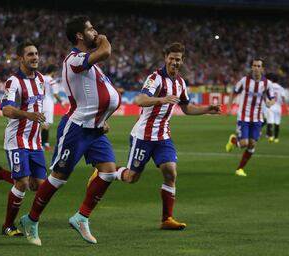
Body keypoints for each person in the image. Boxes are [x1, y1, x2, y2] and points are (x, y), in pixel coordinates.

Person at [92, 42, 220, 230]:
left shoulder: (181, 83)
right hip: (142, 136)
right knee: (131, 177)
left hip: (163, 137)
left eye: (178, 59)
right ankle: (106, 171)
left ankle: (167, 219)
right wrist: (161, 99)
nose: (174, 62)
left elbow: (186, 108)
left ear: (182, 61)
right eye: (171, 58)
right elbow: (140, 100)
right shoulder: (156, 78)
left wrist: (207, 109)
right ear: (165, 58)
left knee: (171, 172)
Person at [19, 16, 121, 246]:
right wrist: (103, 40)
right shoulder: (73, 59)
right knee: (59, 178)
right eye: (91, 29)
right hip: (77, 128)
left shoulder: (90, 65)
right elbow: (105, 51)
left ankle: (81, 217)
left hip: (94, 129)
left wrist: (103, 118)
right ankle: (31, 219)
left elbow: (100, 96)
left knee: (108, 172)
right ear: (79, 35)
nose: (95, 32)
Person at [0, 41, 47, 237]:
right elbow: (5, 109)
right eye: (30, 54)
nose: (35, 57)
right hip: (17, 139)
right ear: (21, 58)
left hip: (35, 141)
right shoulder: (14, 82)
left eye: (36, 53)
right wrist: (28, 115)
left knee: (38, 185)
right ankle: (8, 225)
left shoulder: (41, 80)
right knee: (22, 183)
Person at [225, 58, 274, 177]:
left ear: (262, 68)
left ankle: (239, 169)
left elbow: (272, 99)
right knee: (244, 143)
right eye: (254, 65)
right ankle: (233, 140)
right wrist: (229, 107)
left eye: (258, 66)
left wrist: (269, 103)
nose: (256, 68)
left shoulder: (267, 84)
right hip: (243, 117)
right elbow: (234, 92)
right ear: (251, 67)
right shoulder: (244, 81)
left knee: (252, 145)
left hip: (257, 119)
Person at [41, 64, 65, 151]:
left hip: (40, 103)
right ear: (53, 72)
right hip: (48, 103)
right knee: (46, 124)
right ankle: (44, 144)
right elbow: (55, 94)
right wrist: (61, 102)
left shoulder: (40, 78)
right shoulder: (52, 81)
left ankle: (42, 143)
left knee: (41, 123)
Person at [265, 74, 287, 143]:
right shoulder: (281, 88)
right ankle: (276, 138)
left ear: (272, 80)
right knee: (277, 123)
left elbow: (266, 94)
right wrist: (285, 106)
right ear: (278, 81)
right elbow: (283, 98)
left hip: (271, 106)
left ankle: (270, 136)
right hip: (278, 107)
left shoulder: (270, 86)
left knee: (270, 121)